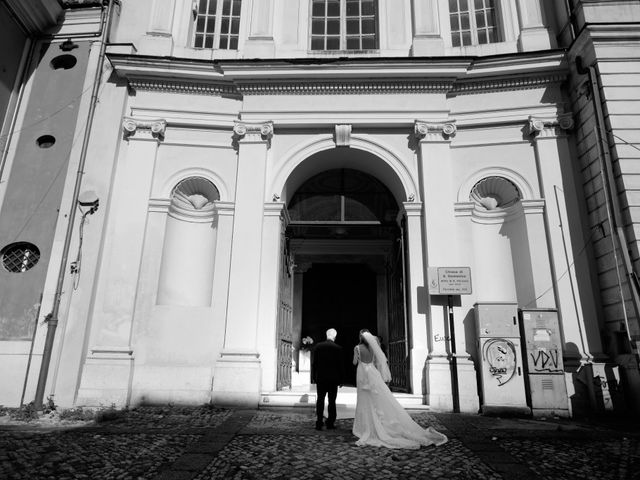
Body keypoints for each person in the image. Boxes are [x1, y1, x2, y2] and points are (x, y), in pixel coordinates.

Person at [352, 329, 448, 449]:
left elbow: (355, 362)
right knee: (376, 399)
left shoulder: (357, 348)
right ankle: (378, 423)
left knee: (364, 399)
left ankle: (366, 427)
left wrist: (358, 358)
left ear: (360, 337)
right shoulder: (373, 347)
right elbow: (377, 362)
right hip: (372, 373)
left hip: (362, 374)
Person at [312, 328, 344, 430]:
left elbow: (314, 364)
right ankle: (330, 422)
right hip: (333, 379)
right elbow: (340, 366)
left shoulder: (318, 346)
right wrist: (341, 379)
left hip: (321, 378)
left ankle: (319, 422)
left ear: (326, 335)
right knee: (332, 401)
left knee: (320, 400)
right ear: (335, 336)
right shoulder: (338, 348)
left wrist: (314, 376)